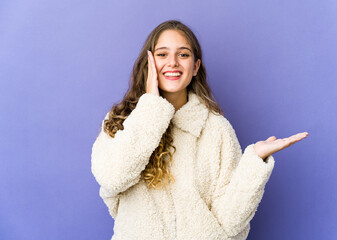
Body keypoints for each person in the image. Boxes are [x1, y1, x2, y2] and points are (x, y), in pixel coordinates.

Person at [91, 20, 309, 240]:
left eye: (183, 55)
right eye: (162, 54)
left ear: (195, 67)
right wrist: (151, 110)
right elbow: (112, 178)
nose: (173, 63)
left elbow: (230, 221)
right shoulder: (121, 120)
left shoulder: (217, 129)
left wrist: (254, 162)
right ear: (149, 63)